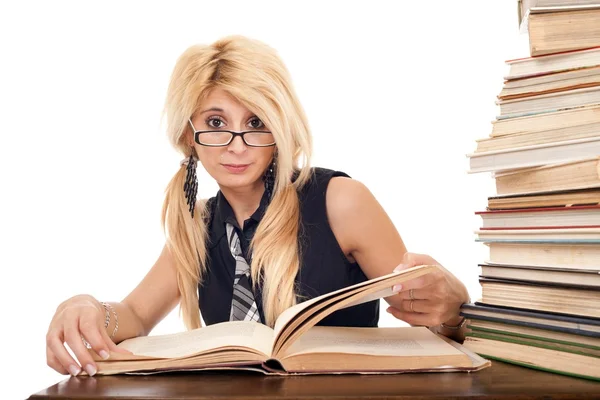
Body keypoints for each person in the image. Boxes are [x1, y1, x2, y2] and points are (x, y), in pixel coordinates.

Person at [45, 35, 470, 377]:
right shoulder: (198, 223)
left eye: (256, 123)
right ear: (189, 135)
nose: (236, 145)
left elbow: (440, 327)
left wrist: (454, 311)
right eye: (216, 123)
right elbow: (135, 313)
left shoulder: (341, 200)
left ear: (281, 128)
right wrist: (91, 309)